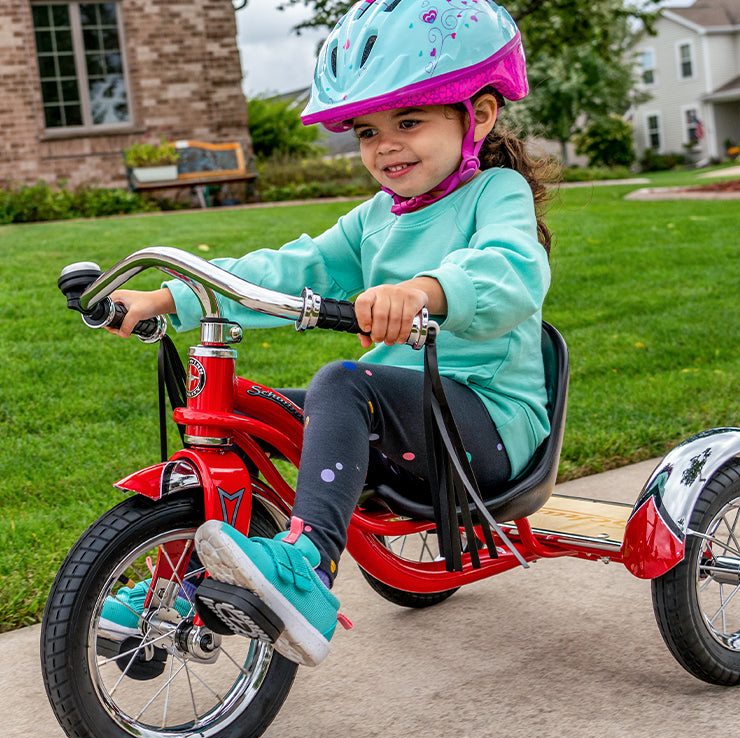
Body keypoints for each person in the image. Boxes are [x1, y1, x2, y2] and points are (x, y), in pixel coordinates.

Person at [106, 0, 553, 668]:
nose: (385, 145)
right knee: (248, 413)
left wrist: (424, 291)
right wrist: (172, 293)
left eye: (409, 120)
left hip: (488, 422)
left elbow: (510, 270)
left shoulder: (497, 193)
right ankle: (181, 584)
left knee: (341, 382)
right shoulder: (374, 218)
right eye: (367, 131)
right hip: (408, 415)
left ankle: (306, 570)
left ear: (478, 114)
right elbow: (291, 269)